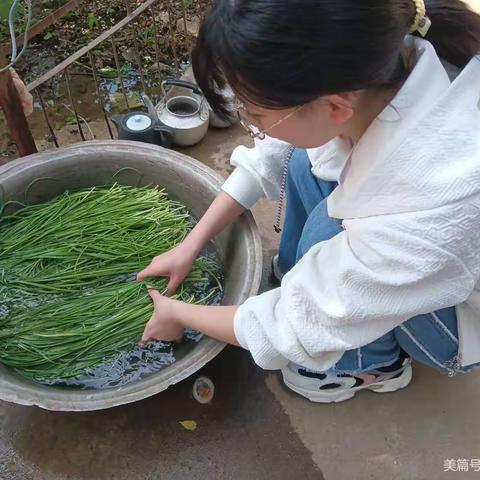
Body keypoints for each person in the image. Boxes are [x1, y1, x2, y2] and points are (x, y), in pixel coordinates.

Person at [137, 0, 480, 403]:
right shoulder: (384, 60)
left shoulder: (430, 202)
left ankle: (369, 366)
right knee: (301, 161)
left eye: (256, 118)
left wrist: (176, 312)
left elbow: (295, 327)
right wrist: (189, 244)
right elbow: (275, 151)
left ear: (335, 106)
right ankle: (297, 276)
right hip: (427, 257)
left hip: (456, 327)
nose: (253, 128)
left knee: (324, 230)